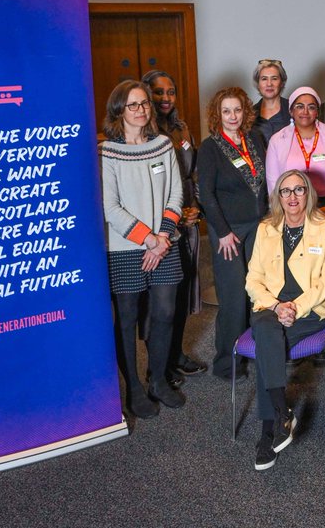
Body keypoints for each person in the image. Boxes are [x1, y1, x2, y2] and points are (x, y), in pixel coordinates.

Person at [99, 80, 186, 419]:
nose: (141, 110)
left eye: (145, 104)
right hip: (125, 248)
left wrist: (162, 237)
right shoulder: (107, 151)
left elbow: (176, 193)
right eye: (133, 105)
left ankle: (158, 380)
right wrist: (147, 239)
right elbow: (110, 206)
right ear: (118, 110)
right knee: (127, 319)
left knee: (165, 312)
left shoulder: (163, 144)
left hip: (164, 243)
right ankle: (134, 388)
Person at [245, 170, 325, 471]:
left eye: (299, 190)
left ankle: (267, 431)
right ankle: (280, 414)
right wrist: (276, 305)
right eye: (286, 191)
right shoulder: (266, 228)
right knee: (266, 329)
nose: (292, 197)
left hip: (310, 310)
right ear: (278, 197)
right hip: (272, 308)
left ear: (308, 193)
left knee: (266, 341)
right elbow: (252, 280)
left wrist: (294, 308)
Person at [197, 86, 269, 382]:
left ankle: (255, 350)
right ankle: (226, 362)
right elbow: (206, 195)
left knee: (259, 291)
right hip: (227, 230)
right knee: (233, 295)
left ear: (245, 111)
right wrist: (223, 232)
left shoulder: (255, 138)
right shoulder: (210, 148)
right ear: (218, 114)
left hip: (258, 226)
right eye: (226, 111)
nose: (233, 116)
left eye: (237, 109)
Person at [142, 70, 207, 381]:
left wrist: (197, 209)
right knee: (161, 301)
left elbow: (192, 174)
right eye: (158, 92)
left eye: (171, 92)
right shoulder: (144, 133)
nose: (165, 98)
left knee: (183, 292)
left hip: (188, 218)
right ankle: (160, 364)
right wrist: (174, 215)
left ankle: (176, 352)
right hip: (160, 225)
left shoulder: (182, 129)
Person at [265, 86, 325, 232]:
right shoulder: (277, 140)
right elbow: (273, 183)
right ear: (291, 111)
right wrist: (290, 211)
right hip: (292, 209)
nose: (305, 112)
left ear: (317, 111)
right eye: (299, 106)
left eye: (311, 107)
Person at [251, 59, 289, 144]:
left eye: (274, 79)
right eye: (264, 79)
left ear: (282, 82)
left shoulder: (293, 109)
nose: (269, 84)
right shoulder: (249, 114)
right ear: (258, 83)